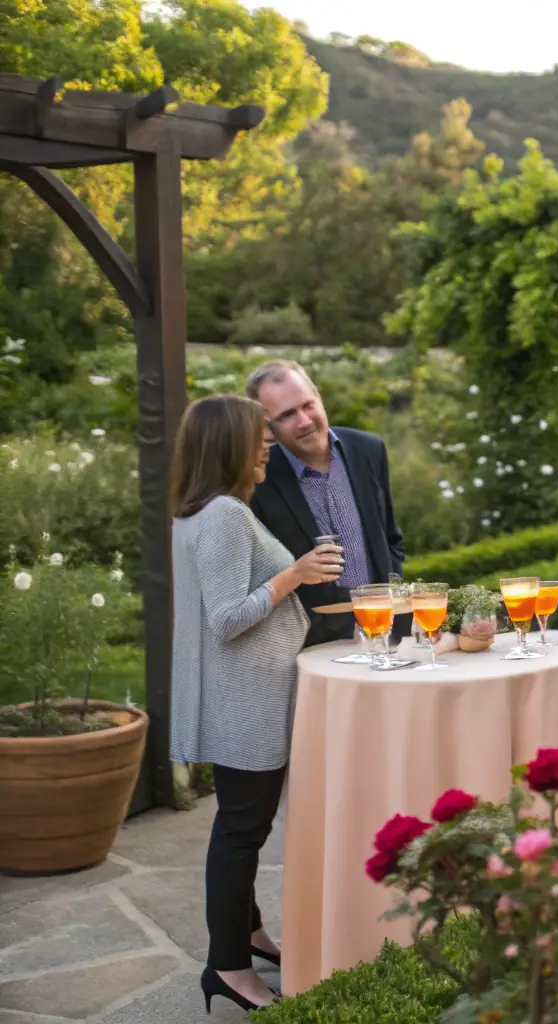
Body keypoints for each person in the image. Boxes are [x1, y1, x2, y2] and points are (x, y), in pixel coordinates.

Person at [168, 395, 343, 1012]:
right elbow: (226, 619)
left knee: (243, 824)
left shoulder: (202, 512)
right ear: (228, 446)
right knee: (241, 831)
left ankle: (248, 936)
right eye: (258, 438)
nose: (269, 446)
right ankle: (229, 969)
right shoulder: (223, 516)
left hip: (241, 696)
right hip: (246, 703)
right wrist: (294, 574)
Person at [246, 360, 407, 648]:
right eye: (287, 415)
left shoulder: (368, 449)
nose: (305, 421)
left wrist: (395, 608)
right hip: (308, 647)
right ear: (266, 425)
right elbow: (255, 577)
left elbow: (390, 539)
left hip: (386, 636)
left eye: (307, 405)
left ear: (318, 395)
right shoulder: (258, 478)